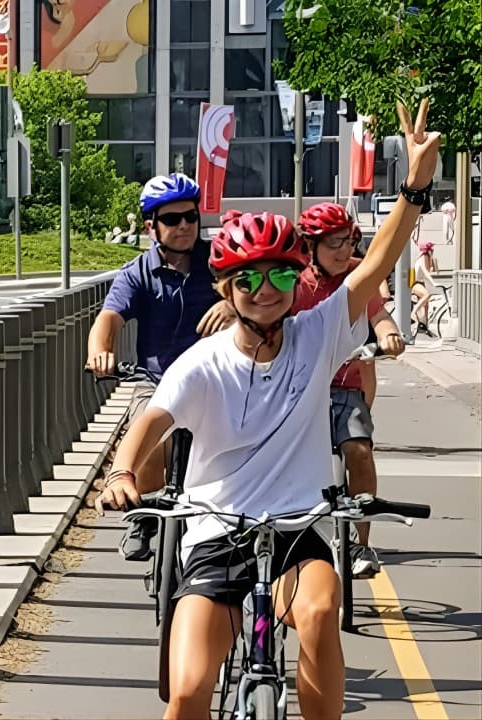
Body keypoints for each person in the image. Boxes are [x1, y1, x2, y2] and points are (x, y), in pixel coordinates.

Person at [95, 100, 439, 720]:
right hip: (215, 535)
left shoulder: (317, 333)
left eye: (280, 278)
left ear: (294, 282)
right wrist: (122, 473)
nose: (265, 291)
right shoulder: (203, 363)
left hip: (296, 530)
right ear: (225, 290)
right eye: (248, 281)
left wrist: (414, 187)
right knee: (189, 689)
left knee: (319, 612)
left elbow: (376, 265)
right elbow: (152, 421)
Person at [86, 173, 234, 558]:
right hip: (157, 380)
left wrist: (232, 304)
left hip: (217, 381)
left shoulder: (220, 262)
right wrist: (100, 351)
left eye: (191, 216)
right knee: (148, 434)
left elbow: (258, 290)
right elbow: (109, 318)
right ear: (150, 226)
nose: (184, 225)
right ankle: (145, 516)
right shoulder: (136, 273)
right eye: (171, 219)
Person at [293, 202, 406, 578]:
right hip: (300, 391)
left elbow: (378, 314)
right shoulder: (293, 282)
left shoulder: (357, 277)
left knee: (359, 451)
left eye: (349, 240)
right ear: (310, 246)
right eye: (334, 243)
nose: (344, 251)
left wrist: (388, 334)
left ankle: (361, 542)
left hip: (346, 388)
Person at [411, 240, 438, 336]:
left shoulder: (427, 258)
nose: (433, 250)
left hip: (420, 282)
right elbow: (426, 272)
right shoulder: (424, 257)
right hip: (415, 283)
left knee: (426, 305)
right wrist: (433, 283)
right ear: (427, 250)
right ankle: (413, 313)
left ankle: (425, 326)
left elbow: (432, 271)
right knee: (426, 295)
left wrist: (433, 261)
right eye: (431, 249)